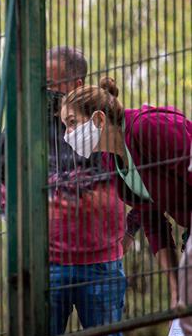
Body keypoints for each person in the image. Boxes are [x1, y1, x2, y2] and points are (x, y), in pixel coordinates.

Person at [0, 47, 126, 336]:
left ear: (77, 83)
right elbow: (1, 185)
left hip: (102, 264)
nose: (46, 90)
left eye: (53, 83)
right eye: (42, 82)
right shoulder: (20, 131)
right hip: (47, 266)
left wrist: (128, 231)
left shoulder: (97, 121)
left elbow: (129, 175)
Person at [60, 78, 192, 315]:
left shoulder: (147, 126)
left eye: (71, 123)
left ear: (99, 119)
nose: (67, 135)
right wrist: (175, 290)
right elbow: (152, 219)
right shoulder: (112, 161)